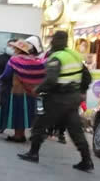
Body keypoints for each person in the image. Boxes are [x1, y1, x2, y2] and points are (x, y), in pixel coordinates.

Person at [18, 31, 94, 172]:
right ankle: (86, 160)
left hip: (57, 98)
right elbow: (87, 77)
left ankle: (33, 153)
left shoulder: (56, 57)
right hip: (73, 98)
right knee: (75, 130)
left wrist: (38, 89)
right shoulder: (74, 55)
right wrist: (80, 91)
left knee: (40, 124)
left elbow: (51, 80)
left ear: (54, 41)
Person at [0, 40, 46, 142]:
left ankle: (18, 135)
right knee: (25, 113)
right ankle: (22, 134)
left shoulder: (14, 60)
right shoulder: (35, 61)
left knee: (18, 112)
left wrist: (0, 78)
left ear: (19, 50)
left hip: (17, 90)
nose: (13, 50)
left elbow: (7, 74)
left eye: (15, 48)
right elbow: (41, 75)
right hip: (31, 92)